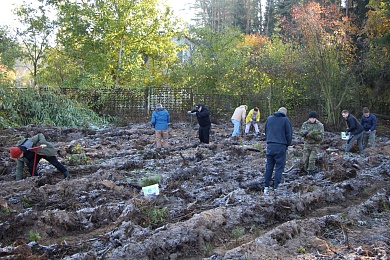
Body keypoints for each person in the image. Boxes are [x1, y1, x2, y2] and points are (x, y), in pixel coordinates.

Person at [263, 107, 292, 195]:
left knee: (269, 166)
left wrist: (269, 140)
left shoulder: (269, 119)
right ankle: (276, 187)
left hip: (270, 145)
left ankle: (266, 187)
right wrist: (287, 144)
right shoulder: (285, 120)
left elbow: (266, 131)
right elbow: (289, 134)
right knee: (279, 167)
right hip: (281, 146)